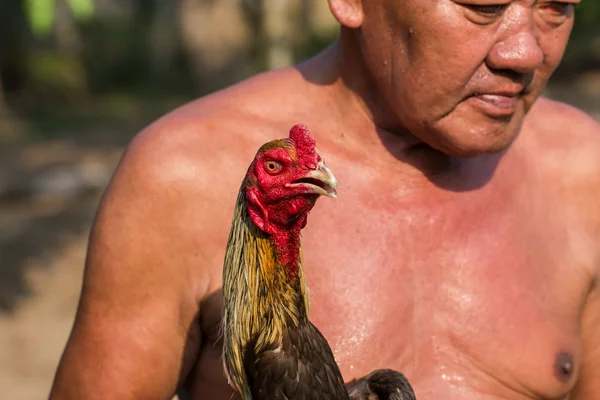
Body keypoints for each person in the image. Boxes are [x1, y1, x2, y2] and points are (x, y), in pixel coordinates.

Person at [49, 0, 600, 399]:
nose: (525, 52)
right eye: (482, 5)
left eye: (558, 8)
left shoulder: (583, 170)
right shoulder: (182, 172)